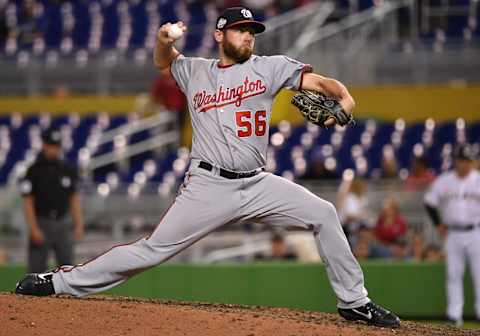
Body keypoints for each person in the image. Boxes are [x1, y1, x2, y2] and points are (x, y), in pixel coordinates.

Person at [15, 7, 400, 328]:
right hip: (208, 185)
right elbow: (163, 62)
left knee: (324, 212)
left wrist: (345, 96)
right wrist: (165, 40)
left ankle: (354, 302)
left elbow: (320, 82)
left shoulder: (270, 67)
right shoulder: (195, 71)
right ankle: (60, 283)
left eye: (252, 31)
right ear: (220, 35)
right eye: (241, 30)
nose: (249, 36)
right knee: (151, 251)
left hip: (257, 183)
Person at [424, 144, 480, 326]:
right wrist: (438, 223)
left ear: (472, 162)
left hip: (475, 231)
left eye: (467, 161)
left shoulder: (478, 179)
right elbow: (429, 202)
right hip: (453, 233)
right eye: (461, 160)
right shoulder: (445, 180)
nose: (464, 164)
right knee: (453, 274)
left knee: (479, 273)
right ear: (456, 161)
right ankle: (454, 315)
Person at [19, 129, 84, 273]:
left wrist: (79, 224)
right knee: (36, 270)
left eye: (56, 146)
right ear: (44, 146)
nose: (53, 150)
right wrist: (33, 228)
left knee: (67, 270)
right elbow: (28, 201)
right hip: (42, 222)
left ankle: (66, 296)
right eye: (50, 146)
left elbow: (74, 199)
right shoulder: (34, 170)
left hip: (63, 223)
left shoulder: (67, 169)